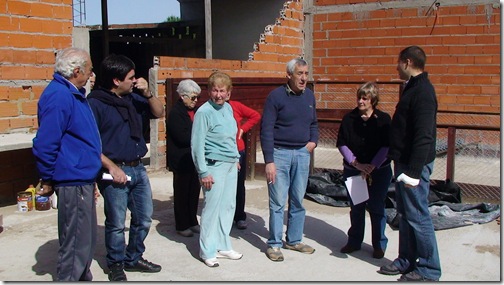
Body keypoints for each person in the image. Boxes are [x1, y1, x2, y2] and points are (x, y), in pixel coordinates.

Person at [87, 54, 165, 281]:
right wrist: (111, 168)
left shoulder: (132, 98)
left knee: (144, 217)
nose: (135, 80)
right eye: (130, 77)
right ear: (115, 80)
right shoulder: (95, 104)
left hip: (138, 168)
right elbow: (90, 144)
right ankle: (116, 264)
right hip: (114, 171)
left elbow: (159, 112)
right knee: (116, 222)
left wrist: (148, 92)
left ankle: (133, 257)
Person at [32, 47, 101, 281]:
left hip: (82, 177)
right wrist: (48, 177)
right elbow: (45, 142)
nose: (92, 74)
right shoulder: (60, 96)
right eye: (90, 70)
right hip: (72, 179)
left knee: (85, 241)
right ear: (77, 71)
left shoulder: (73, 93)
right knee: (75, 244)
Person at [377, 46, 441, 281]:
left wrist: (414, 171)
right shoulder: (412, 88)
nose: (396, 67)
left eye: (398, 62)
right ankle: (406, 259)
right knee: (405, 214)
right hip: (403, 163)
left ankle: (429, 269)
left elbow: (425, 135)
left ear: (407, 62)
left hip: (414, 167)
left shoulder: (423, 91)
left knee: (417, 215)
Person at [260, 58, 319, 262]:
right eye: (299, 74)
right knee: (277, 202)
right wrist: (269, 160)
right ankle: (274, 244)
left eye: (306, 73)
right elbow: (266, 129)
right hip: (279, 154)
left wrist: (313, 142)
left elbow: (314, 123)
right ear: (289, 75)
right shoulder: (275, 97)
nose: (304, 78)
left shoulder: (309, 96)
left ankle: (294, 240)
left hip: (302, 154)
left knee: (298, 199)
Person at [191, 72, 242, 268]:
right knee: (212, 209)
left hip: (230, 164)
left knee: (228, 206)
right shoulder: (204, 112)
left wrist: (236, 158)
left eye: (222, 91)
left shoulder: (228, 108)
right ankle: (207, 250)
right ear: (208, 91)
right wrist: (203, 172)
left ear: (229, 93)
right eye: (214, 90)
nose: (218, 94)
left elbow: (231, 137)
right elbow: (197, 145)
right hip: (213, 165)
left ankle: (223, 245)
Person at [336, 82, 392, 259]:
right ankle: (354, 242)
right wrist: (356, 164)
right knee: (357, 207)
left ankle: (379, 245)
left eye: (364, 98)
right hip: (354, 170)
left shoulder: (383, 119)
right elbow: (342, 143)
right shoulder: (349, 119)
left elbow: (387, 145)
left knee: (377, 207)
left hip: (379, 171)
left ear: (373, 100)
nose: (360, 101)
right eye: (359, 97)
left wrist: (372, 166)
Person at [167, 79, 202, 237]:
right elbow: (182, 137)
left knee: (194, 191)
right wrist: (201, 136)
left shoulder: (196, 111)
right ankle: (182, 224)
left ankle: (192, 220)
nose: (195, 101)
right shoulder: (175, 113)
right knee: (182, 193)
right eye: (192, 97)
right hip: (181, 160)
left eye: (197, 98)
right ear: (182, 96)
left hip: (194, 159)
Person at [225, 92, 261, 230]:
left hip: (238, 151)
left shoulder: (236, 106)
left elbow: (255, 115)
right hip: (222, 152)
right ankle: (226, 216)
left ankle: (239, 216)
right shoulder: (211, 109)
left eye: (225, 91)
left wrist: (242, 129)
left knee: (239, 184)